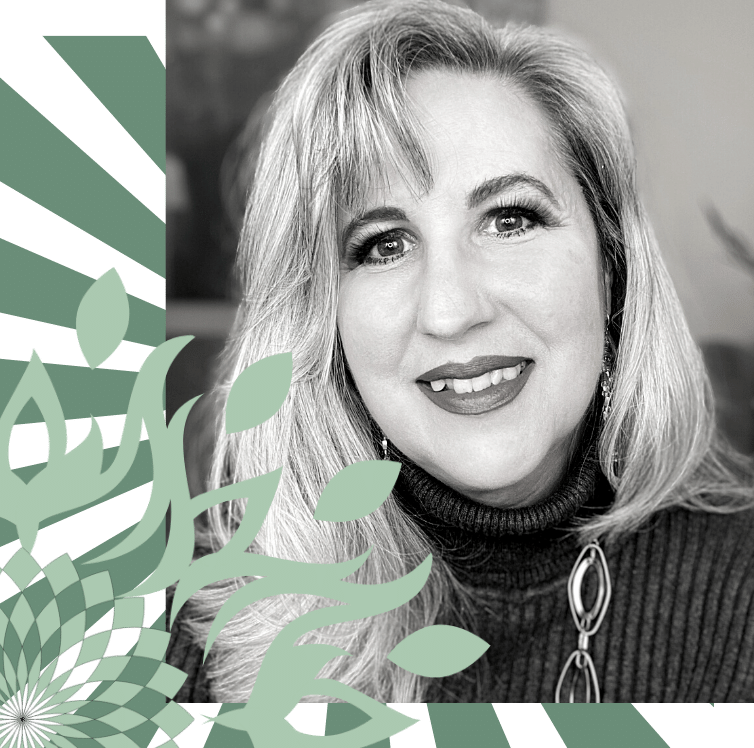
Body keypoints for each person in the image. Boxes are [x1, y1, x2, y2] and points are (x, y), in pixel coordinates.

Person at [168, 0, 754, 703]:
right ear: (321, 320)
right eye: (382, 245)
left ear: (611, 265)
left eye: (510, 219)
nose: (450, 311)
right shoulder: (200, 618)